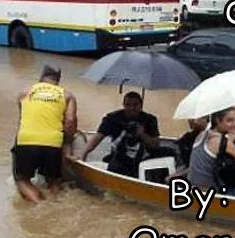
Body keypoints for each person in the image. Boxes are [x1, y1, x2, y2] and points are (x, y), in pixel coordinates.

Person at [13, 64, 77, 203]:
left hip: (26, 140)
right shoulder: (67, 95)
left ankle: (40, 204)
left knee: (22, 180)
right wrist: (68, 145)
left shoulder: (24, 93)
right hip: (53, 142)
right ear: (58, 79)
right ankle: (55, 204)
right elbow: (70, 121)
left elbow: (22, 120)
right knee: (53, 180)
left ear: (41, 77)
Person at [80, 92, 177, 177]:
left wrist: (142, 134)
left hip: (143, 157)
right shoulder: (113, 118)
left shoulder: (150, 120)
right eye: (128, 105)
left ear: (141, 106)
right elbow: (98, 136)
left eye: (135, 105)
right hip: (119, 157)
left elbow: (156, 145)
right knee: (115, 166)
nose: (131, 108)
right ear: (123, 105)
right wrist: (84, 153)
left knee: (169, 153)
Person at [187, 107, 235, 196]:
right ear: (218, 120)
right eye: (229, 120)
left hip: (193, 188)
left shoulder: (202, 135)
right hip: (212, 193)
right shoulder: (221, 141)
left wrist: (230, 141)